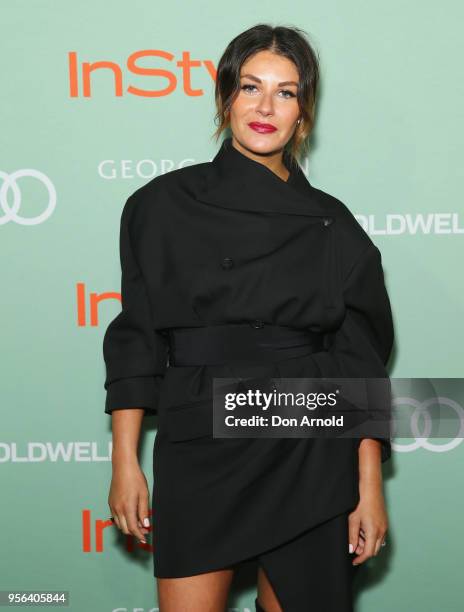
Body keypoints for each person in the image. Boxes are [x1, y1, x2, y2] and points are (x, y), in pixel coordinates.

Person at [103, 24, 394, 612]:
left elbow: (357, 358)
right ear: (224, 97)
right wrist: (124, 461)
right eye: (250, 87)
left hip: (307, 439)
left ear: (303, 112)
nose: (266, 107)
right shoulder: (160, 206)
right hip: (202, 438)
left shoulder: (332, 223)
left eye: (286, 93)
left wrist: (367, 487)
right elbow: (137, 337)